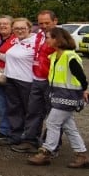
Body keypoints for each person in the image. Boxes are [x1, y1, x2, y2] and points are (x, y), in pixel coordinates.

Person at [29, 27, 89, 168]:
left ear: (57, 39)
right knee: (69, 126)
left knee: (52, 122)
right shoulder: (55, 56)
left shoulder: (69, 56)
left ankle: (46, 152)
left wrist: (85, 90)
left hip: (68, 96)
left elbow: (81, 76)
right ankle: (81, 155)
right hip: (59, 95)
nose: (46, 40)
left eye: (48, 37)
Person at [0, 18, 36, 149]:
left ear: (29, 28)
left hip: (26, 81)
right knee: (14, 110)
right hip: (11, 79)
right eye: (16, 28)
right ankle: (15, 136)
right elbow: (10, 57)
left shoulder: (35, 41)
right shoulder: (16, 41)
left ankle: (30, 139)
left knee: (29, 111)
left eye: (22, 28)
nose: (19, 31)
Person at [20, 10, 58, 152]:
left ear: (55, 21)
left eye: (47, 23)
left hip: (51, 81)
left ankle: (51, 145)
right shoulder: (39, 35)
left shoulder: (59, 38)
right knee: (33, 111)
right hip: (36, 79)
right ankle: (30, 140)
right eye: (41, 23)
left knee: (53, 115)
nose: (43, 25)